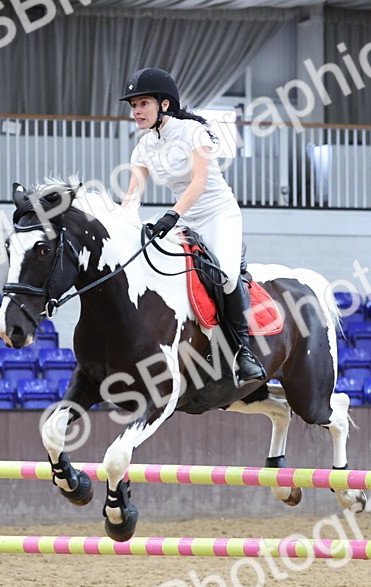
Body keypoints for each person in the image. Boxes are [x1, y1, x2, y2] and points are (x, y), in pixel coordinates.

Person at [119, 67, 267, 387]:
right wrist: (121, 228)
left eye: (143, 103)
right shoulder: (143, 148)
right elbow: (132, 198)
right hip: (183, 217)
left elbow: (199, 183)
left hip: (217, 213)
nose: (136, 111)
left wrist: (171, 215)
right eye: (133, 106)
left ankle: (243, 352)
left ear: (164, 105)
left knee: (225, 274)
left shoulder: (192, 133)